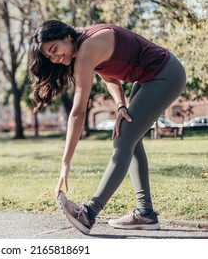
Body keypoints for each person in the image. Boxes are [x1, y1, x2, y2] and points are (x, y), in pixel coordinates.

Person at [28, 20, 186, 234]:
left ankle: (88, 213)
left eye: (55, 49)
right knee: (131, 138)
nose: (55, 58)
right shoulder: (85, 46)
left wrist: (65, 162)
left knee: (123, 139)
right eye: (49, 56)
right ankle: (145, 213)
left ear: (67, 37)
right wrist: (121, 105)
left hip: (165, 74)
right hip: (149, 77)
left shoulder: (87, 48)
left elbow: (78, 112)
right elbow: (109, 76)